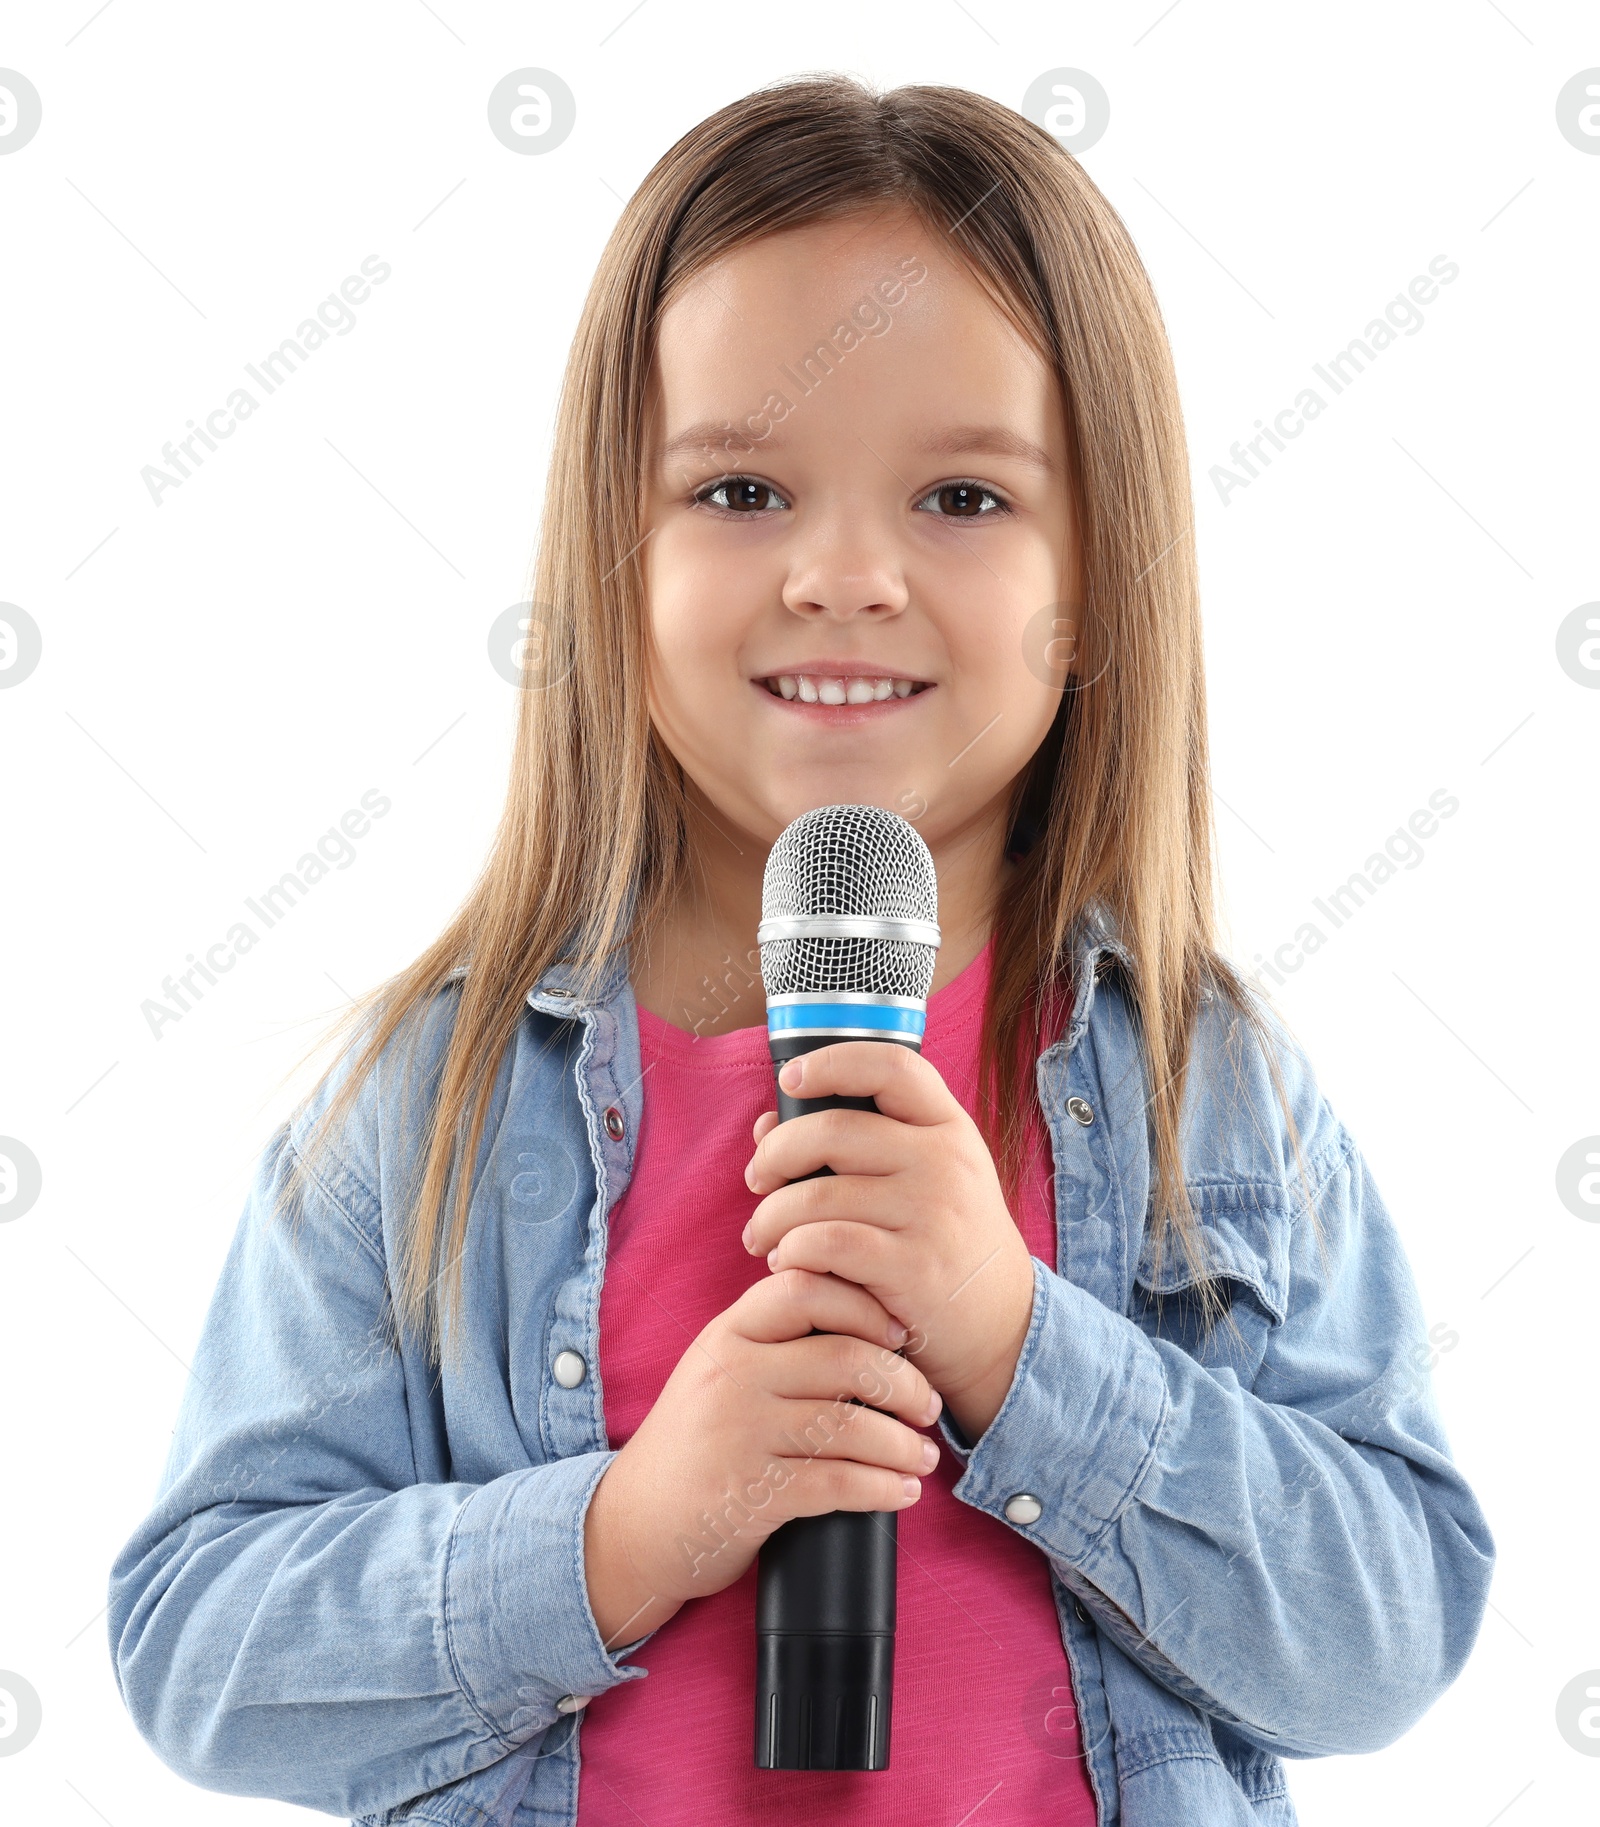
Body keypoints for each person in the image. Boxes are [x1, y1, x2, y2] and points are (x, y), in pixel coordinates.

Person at [108, 74, 1493, 1826]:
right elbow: (199, 1649)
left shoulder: (1206, 1091)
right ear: (618, 552)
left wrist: (1017, 1345)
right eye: (745, 487)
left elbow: (1387, 1631)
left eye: (966, 500)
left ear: (1105, 578)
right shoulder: (435, 1102)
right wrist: (620, 1535)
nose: (844, 573)